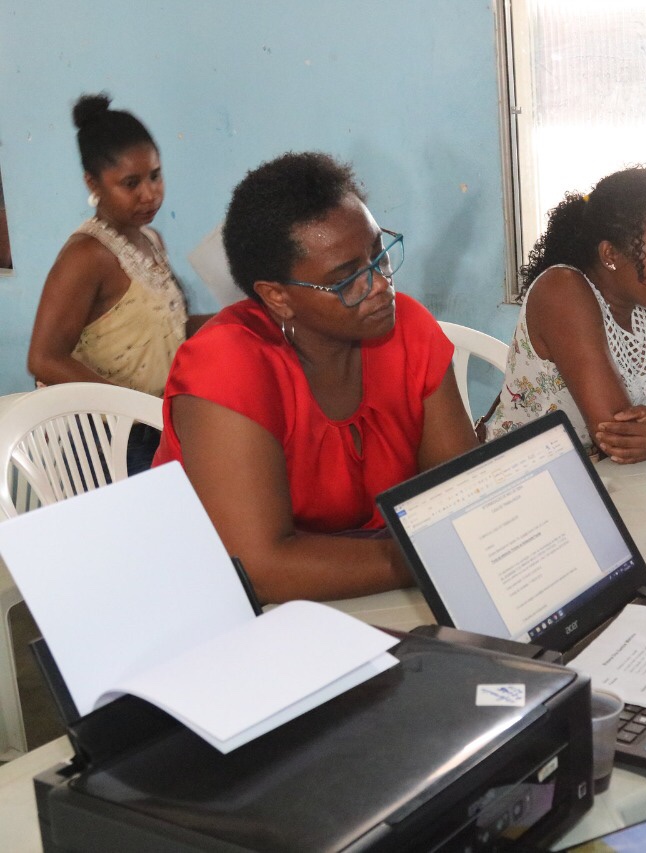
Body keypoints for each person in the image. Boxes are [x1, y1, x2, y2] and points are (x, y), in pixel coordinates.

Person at [153, 152, 478, 603]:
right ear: (277, 297)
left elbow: (462, 492)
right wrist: (419, 555)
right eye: (347, 279)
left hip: (371, 592)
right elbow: (261, 567)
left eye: (378, 255)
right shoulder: (229, 364)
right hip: (227, 611)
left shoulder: (408, 330)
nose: (381, 285)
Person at [480, 166, 646, 464]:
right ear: (610, 255)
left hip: (608, 477)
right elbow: (619, 436)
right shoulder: (562, 291)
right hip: (526, 480)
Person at [28, 93, 208, 472]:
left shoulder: (151, 240)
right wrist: (132, 407)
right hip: (107, 438)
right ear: (92, 182)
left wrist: (230, 319)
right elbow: (44, 358)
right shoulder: (87, 256)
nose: (149, 193)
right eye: (130, 183)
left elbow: (162, 330)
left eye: (155, 176)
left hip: (154, 424)